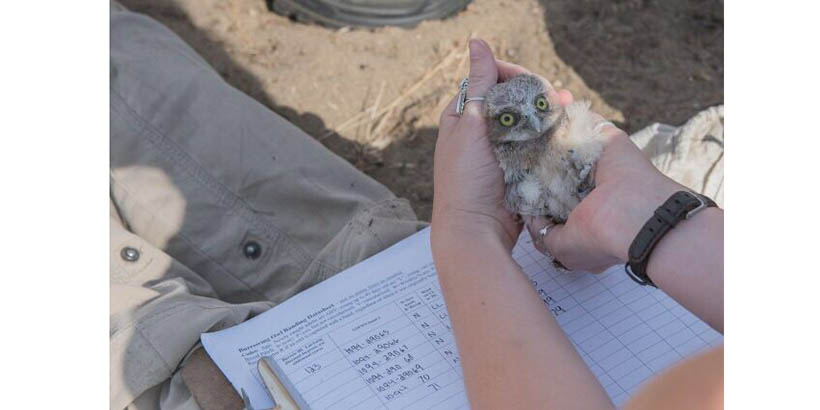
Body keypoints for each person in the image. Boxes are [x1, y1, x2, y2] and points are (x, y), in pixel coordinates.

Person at [110, 3, 722, 409]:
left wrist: (466, 229)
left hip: (251, 387)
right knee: (123, 66)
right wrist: (651, 218)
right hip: (392, 276)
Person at [430, 39, 723, 409]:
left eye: (540, 106)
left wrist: (464, 225)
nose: (535, 122)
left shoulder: (704, 389)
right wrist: (639, 208)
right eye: (508, 119)